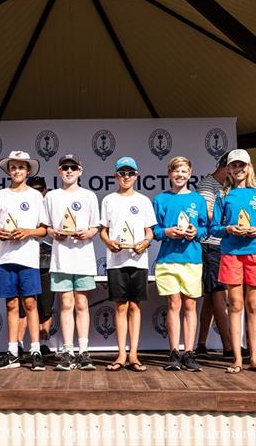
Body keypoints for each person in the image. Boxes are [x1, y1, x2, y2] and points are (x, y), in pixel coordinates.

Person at [211, 149, 256, 374]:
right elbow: (213, 228)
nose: (238, 170)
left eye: (242, 165)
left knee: (253, 304)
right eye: (234, 166)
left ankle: (255, 359)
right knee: (236, 304)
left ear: (249, 167)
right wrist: (228, 228)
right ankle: (238, 358)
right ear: (228, 169)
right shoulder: (223, 194)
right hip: (231, 253)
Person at [0, 151, 48, 371]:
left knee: (30, 303)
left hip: (28, 257)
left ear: (28, 170)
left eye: (21, 167)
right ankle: (13, 351)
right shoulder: (0, 195)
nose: (17, 171)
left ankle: (35, 350)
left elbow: (44, 229)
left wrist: (27, 232)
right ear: (8, 170)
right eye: (13, 167)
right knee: (11, 304)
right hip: (5, 257)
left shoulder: (36, 196)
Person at [100, 157, 156, 372]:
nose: (126, 177)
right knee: (120, 306)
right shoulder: (108, 200)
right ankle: (121, 353)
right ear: (116, 176)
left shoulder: (143, 201)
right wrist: (108, 242)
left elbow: (149, 231)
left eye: (130, 173)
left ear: (136, 175)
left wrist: (145, 242)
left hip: (138, 260)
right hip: (116, 261)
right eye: (122, 173)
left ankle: (134, 353)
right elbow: (103, 230)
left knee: (134, 306)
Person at [44, 154, 100, 371]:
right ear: (59, 171)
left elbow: (96, 226)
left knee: (82, 304)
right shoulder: (51, 197)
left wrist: (89, 233)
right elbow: (45, 226)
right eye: (65, 168)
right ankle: (68, 351)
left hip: (83, 258)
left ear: (80, 170)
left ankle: (83, 351)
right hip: (61, 259)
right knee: (66, 304)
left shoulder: (89, 196)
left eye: (73, 168)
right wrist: (53, 232)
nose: (69, 171)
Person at [153, 156, 208, 372]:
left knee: (190, 305)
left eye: (184, 171)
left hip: (192, 259)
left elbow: (206, 228)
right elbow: (153, 230)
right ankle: (174, 352)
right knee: (173, 304)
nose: (180, 175)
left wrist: (196, 232)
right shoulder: (160, 199)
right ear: (169, 174)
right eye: (176, 171)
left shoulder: (198, 200)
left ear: (190, 174)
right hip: (168, 260)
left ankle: (189, 352)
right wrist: (166, 232)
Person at [194, 153, 233, 359]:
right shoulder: (207, 185)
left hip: (222, 245)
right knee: (218, 293)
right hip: (211, 244)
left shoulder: (225, 188)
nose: (235, 173)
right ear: (224, 166)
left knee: (210, 296)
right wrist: (230, 217)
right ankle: (228, 347)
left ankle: (201, 344)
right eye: (232, 167)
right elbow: (206, 214)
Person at [19, 175, 55, 358]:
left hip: (47, 259)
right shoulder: (21, 205)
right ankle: (18, 344)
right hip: (25, 258)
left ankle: (44, 343)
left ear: (45, 190)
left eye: (40, 189)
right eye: (33, 189)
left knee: (46, 305)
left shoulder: (52, 207)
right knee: (23, 304)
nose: (37, 192)